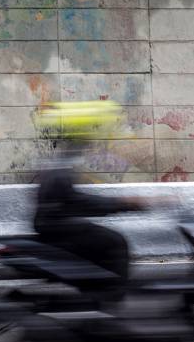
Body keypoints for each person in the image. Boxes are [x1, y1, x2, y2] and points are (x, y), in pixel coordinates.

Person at [31, 101, 145, 290]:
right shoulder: (61, 166)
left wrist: (118, 205)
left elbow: (74, 201)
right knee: (115, 241)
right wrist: (121, 204)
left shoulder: (60, 162)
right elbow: (77, 202)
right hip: (56, 227)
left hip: (54, 224)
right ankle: (109, 295)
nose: (91, 143)